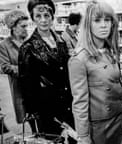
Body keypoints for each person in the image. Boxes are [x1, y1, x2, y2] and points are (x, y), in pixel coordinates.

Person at [68, 1, 122, 144]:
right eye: (97, 20)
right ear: (88, 24)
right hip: (99, 127)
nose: (104, 25)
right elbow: (79, 102)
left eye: (107, 20)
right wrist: (83, 136)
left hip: (117, 120)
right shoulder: (79, 59)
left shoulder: (110, 51)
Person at [18, 0, 75, 141]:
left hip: (69, 104)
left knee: (74, 138)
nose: (43, 20)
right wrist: (34, 115)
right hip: (47, 109)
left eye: (46, 15)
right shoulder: (28, 48)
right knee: (53, 139)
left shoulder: (61, 41)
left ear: (52, 17)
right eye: (38, 16)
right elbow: (27, 86)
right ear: (33, 18)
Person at [0, 10, 28, 124]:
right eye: (23, 26)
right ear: (13, 27)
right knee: (26, 117)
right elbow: (5, 67)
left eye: (27, 26)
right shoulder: (4, 45)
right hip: (19, 87)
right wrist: (26, 70)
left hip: (36, 86)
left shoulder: (29, 42)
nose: (26, 29)